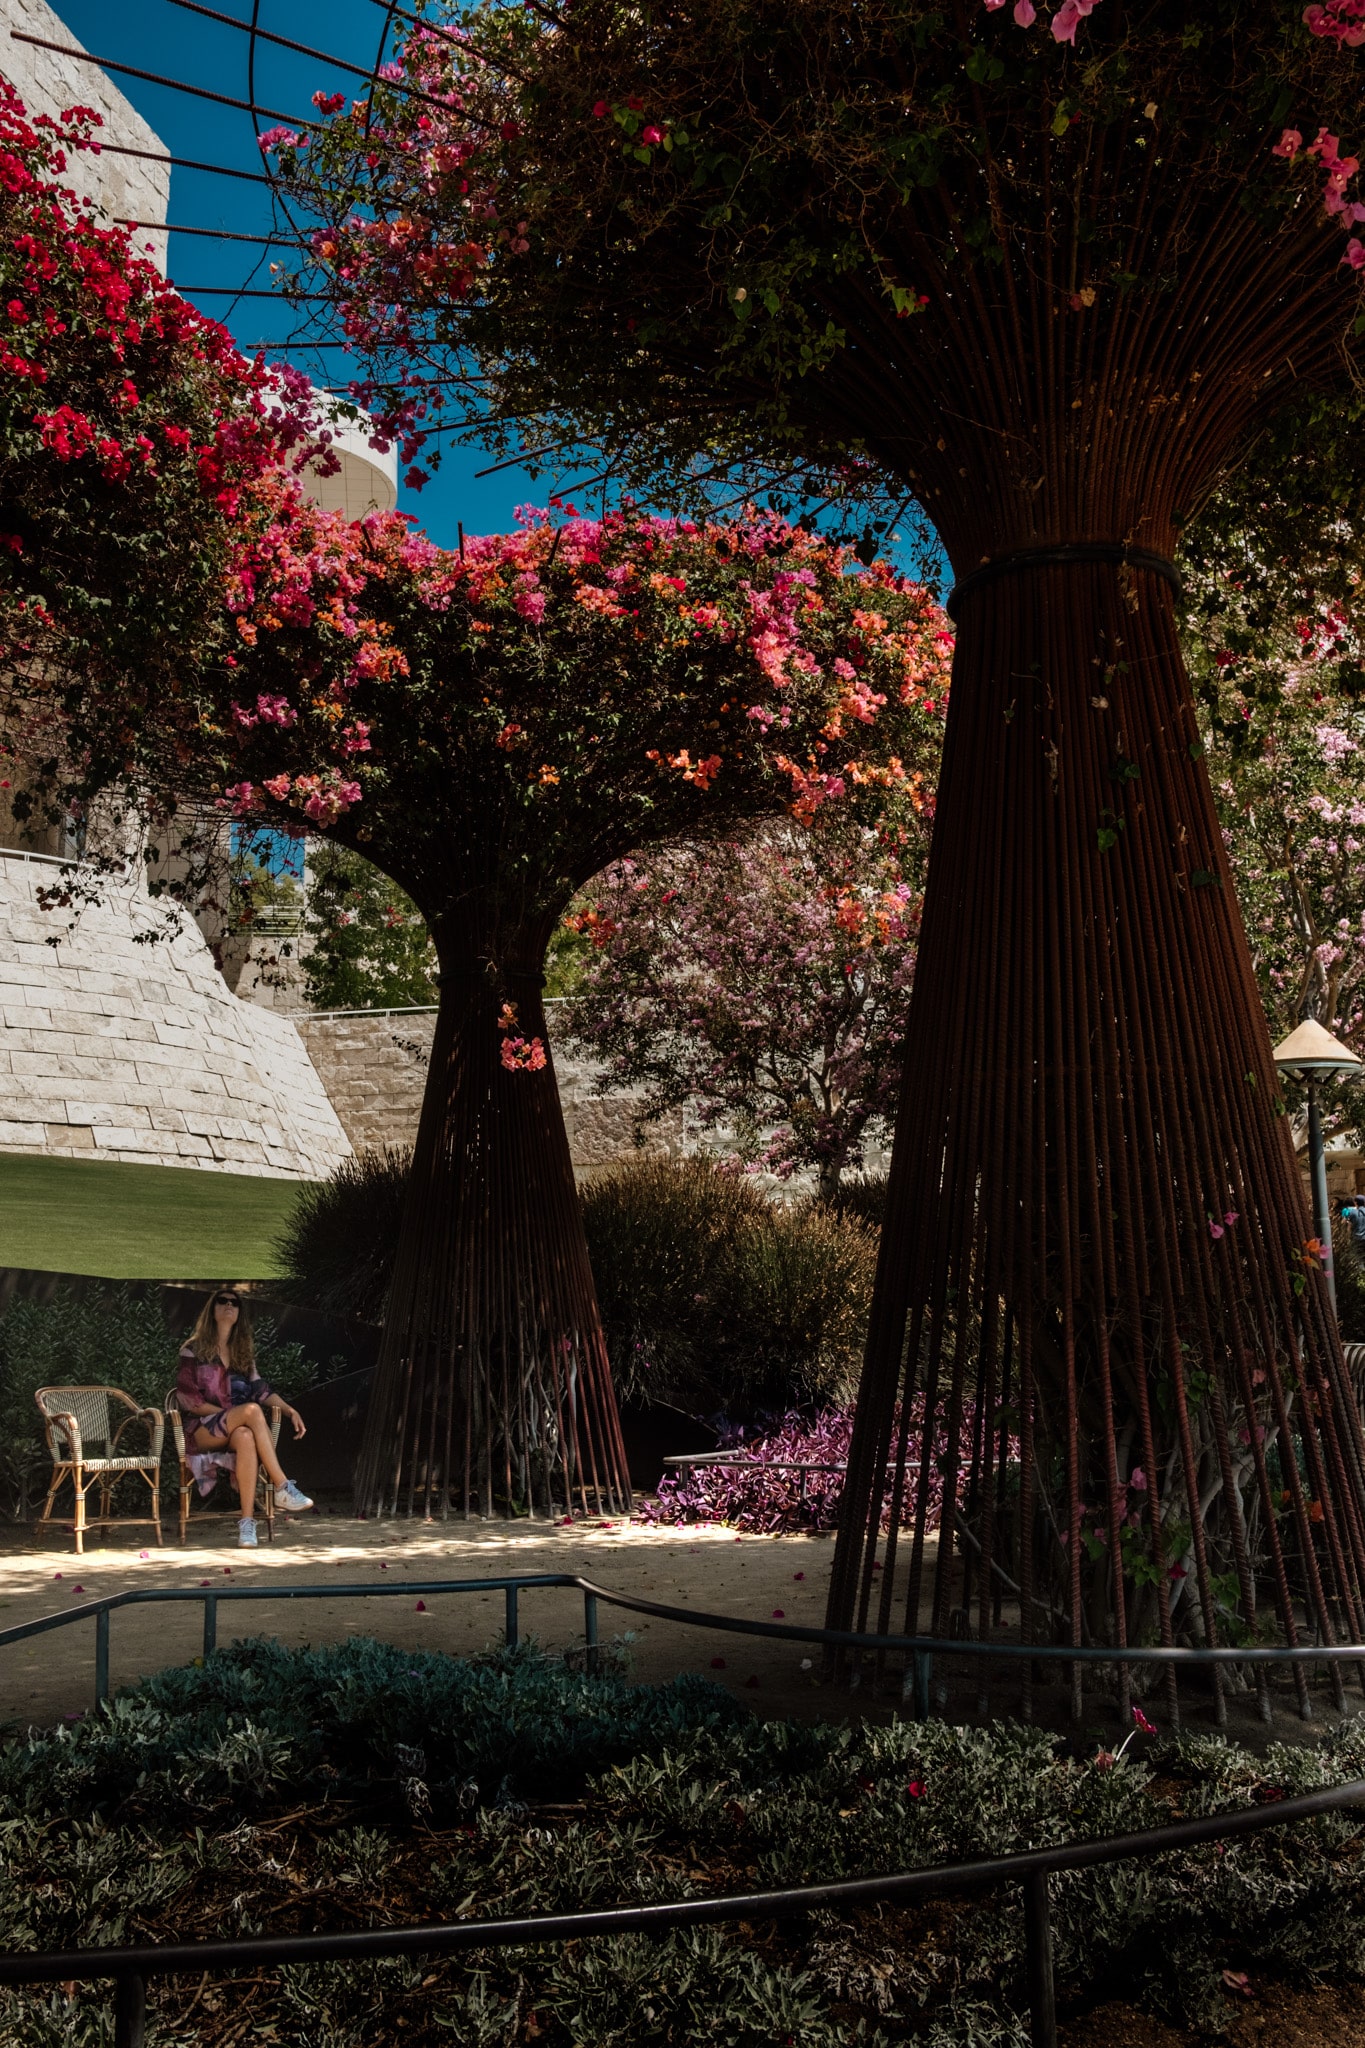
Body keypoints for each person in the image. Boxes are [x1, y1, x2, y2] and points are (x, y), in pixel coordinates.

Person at [175, 1287, 312, 1547]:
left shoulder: (242, 1354)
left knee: (246, 1435)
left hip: (235, 1431)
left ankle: (247, 1526)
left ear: (238, 1312)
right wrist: (231, 1415)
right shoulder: (192, 1351)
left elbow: (261, 1389)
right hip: (202, 1431)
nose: (229, 1305)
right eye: (222, 1301)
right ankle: (282, 1486)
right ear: (212, 1310)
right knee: (250, 1412)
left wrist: (289, 1410)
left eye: (234, 1303)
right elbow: (189, 1400)